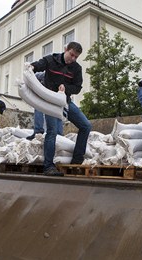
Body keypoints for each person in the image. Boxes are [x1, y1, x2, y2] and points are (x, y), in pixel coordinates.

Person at [30, 41, 92, 176]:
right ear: (65, 49)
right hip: (50, 101)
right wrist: (31, 66)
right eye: (71, 55)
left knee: (86, 125)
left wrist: (66, 88)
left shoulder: (76, 68)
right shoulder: (51, 60)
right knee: (52, 131)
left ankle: (76, 161)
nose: (73, 59)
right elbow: (40, 65)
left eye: (76, 57)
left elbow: (77, 87)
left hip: (65, 101)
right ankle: (48, 167)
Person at [26, 72, 63, 140]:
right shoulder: (37, 78)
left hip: (53, 91)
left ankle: (39, 131)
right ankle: (57, 134)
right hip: (52, 91)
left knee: (40, 107)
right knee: (56, 110)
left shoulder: (38, 76)